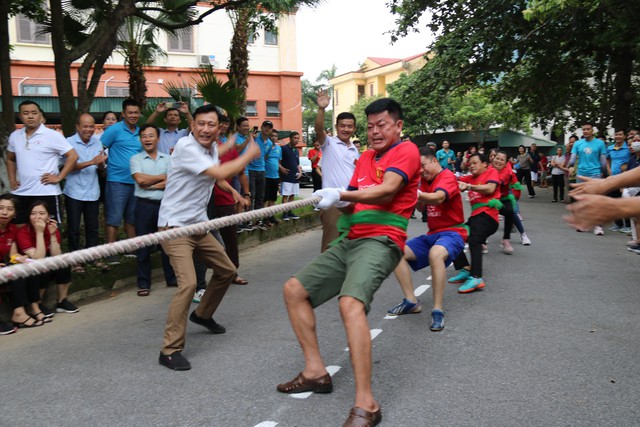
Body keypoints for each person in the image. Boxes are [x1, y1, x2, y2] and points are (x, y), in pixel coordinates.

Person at [277, 98, 420, 427]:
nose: (374, 132)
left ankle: (366, 403)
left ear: (398, 126)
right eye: (369, 127)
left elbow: (387, 192)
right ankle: (315, 371)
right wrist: (336, 200)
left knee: (350, 304)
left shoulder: (407, 151)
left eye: (382, 125)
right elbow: (351, 207)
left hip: (382, 240)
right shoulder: (365, 157)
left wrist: (343, 192)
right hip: (352, 238)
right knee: (294, 289)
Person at [156, 104, 260, 371]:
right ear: (193, 125)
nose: (205, 129)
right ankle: (169, 350)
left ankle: (202, 314)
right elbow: (219, 172)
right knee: (189, 284)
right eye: (200, 123)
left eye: (211, 125)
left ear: (218, 128)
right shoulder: (186, 147)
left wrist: (234, 192)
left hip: (198, 226)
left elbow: (214, 174)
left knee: (227, 270)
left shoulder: (210, 147)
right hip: (175, 227)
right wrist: (249, 154)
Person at [387, 148, 467, 332]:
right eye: (418, 168)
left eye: (423, 166)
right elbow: (422, 209)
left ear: (435, 161)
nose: (421, 171)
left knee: (435, 254)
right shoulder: (423, 181)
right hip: (432, 234)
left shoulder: (447, 176)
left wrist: (415, 194)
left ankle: (438, 310)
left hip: (453, 233)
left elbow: (438, 198)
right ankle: (411, 301)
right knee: (393, 250)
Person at [7, 100, 79, 225]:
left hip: (46, 192)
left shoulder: (52, 135)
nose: (30, 116)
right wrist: (12, 179)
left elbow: (73, 156)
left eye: (34, 113)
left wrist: (59, 177)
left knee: (49, 231)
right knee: (19, 231)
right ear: (20, 116)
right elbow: (10, 158)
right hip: (21, 192)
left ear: (40, 115)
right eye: (26, 113)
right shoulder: (15, 136)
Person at [130, 124, 175, 296]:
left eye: (151, 135)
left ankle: (171, 278)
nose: (147, 139)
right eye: (144, 136)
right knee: (143, 245)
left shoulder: (168, 159)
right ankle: (143, 283)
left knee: (167, 244)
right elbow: (140, 181)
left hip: (165, 205)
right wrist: (162, 178)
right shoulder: (136, 159)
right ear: (140, 139)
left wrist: (152, 184)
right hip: (144, 206)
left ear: (158, 138)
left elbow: (172, 181)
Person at [314, 89, 360, 252]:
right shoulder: (329, 143)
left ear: (354, 128)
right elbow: (318, 130)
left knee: (350, 244)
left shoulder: (355, 150)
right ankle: (325, 276)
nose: (346, 129)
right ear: (336, 127)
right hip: (333, 203)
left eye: (349, 126)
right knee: (330, 245)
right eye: (342, 126)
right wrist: (321, 109)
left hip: (352, 202)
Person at [448, 153, 500, 293]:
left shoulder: (491, 172)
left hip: (488, 216)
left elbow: (490, 188)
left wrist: (469, 186)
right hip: (476, 217)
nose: (472, 165)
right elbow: (451, 178)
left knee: (474, 240)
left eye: (475, 162)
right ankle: (465, 268)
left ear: (484, 164)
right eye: (470, 163)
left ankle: (476, 276)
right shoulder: (469, 178)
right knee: (454, 236)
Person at [16, 201, 79, 314]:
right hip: (30, 267)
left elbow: (57, 255)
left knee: (63, 262)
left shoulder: (52, 228)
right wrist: (39, 233)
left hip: (46, 261)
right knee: (43, 266)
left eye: (41, 213)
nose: (37, 217)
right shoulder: (23, 232)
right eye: (33, 213)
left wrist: (53, 235)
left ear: (48, 216)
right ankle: (36, 304)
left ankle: (62, 301)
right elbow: (38, 258)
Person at [63, 114, 108, 273]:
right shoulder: (68, 143)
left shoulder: (98, 142)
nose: (89, 129)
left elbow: (100, 168)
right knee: (74, 229)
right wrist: (91, 162)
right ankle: (75, 261)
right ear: (77, 126)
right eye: (85, 126)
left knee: (93, 228)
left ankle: (92, 257)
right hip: (73, 191)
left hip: (92, 191)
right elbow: (66, 167)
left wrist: (101, 165)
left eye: (91, 126)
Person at [100, 99, 143, 261]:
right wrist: (102, 166)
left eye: (136, 113)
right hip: (117, 181)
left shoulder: (140, 131)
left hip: (136, 182)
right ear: (123, 114)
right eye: (130, 112)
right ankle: (111, 253)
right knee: (114, 218)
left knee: (132, 218)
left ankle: (131, 250)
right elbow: (99, 148)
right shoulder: (115, 129)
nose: (133, 115)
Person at [0, 194, 45, 329]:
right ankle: (19, 313)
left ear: (15, 213)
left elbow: (13, 254)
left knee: (25, 266)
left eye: (9, 209)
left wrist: (20, 258)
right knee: (15, 270)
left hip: (3, 268)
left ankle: (30, 308)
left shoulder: (13, 229)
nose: (4, 212)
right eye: (1, 208)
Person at [568, 121, 607, 235]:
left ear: (592, 130)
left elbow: (603, 161)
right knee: (582, 200)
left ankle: (598, 226)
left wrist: (604, 173)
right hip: (581, 174)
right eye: (583, 129)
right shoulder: (578, 144)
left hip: (595, 174)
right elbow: (572, 159)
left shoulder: (600, 143)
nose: (585, 131)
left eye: (588, 129)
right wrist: (570, 167)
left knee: (596, 200)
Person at [246, 120, 274, 230]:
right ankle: (248, 220)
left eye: (269, 127)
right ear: (261, 127)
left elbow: (266, 156)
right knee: (251, 195)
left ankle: (258, 220)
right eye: (265, 126)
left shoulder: (270, 143)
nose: (267, 129)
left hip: (262, 170)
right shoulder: (254, 137)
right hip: (251, 169)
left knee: (260, 196)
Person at [606, 129, 631, 233]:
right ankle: (618, 224)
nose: (618, 136)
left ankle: (628, 225)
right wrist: (608, 169)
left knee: (625, 202)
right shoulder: (610, 148)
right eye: (616, 134)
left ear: (624, 136)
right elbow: (607, 159)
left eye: (620, 134)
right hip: (613, 179)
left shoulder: (628, 148)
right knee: (614, 202)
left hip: (626, 179)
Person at [280, 132, 302, 220]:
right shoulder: (283, 149)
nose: (296, 140)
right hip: (287, 176)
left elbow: (297, 164)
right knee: (286, 194)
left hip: (295, 176)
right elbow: (278, 161)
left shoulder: (296, 151)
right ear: (290, 138)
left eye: (297, 138)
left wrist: (300, 172)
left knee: (292, 195)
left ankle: (290, 211)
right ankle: (284, 213)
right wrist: (281, 168)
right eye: (294, 138)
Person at [263, 129, 282, 225]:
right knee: (265, 198)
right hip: (266, 176)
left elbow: (279, 162)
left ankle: (271, 216)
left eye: (275, 136)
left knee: (273, 198)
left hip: (275, 176)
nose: (274, 137)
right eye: (272, 136)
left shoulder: (279, 148)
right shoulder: (266, 146)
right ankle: (264, 217)